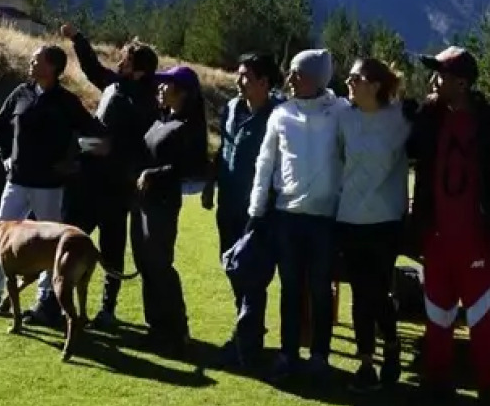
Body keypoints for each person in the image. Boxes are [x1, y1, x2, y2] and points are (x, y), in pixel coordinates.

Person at [406, 46, 490, 406]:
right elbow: (410, 150)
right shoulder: (430, 117)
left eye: (442, 75)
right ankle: (437, 381)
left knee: (483, 317)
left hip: (477, 239)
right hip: (436, 236)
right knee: (437, 313)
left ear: (463, 83)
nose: (434, 81)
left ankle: (488, 390)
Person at [0, 45, 104, 320]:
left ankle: (44, 301)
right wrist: (5, 155)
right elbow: (0, 123)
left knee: (50, 245)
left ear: (52, 67)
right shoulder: (21, 93)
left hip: (49, 186)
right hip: (16, 180)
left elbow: (93, 133)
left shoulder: (66, 101)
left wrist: (74, 160)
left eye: (36, 59)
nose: (31, 62)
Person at [248, 48, 343, 383]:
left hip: (325, 219)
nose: (289, 79)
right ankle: (288, 353)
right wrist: (256, 209)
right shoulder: (281, 114)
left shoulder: (341, 113)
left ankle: (319, 356)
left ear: (316, 78)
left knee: (320, 288)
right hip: (287, 215)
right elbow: (265, 163)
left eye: (297, 73)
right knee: (290, 288)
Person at [58, 23, 160, 329]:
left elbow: (143, 146)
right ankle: (57, 302)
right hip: (88, 179)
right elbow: (91, 68)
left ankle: (107, 309)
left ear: (139, 70)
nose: (120, 62)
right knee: (69, 240)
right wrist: (78, 39)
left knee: (112, 249)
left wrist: (112, 148)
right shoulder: (115, 85)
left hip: (117, 187)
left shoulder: (148, 103)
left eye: (126, 59)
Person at [335, 56, 412, 392]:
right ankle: (366, 362)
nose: (349, 83)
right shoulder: (343, 118)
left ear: (376, 85)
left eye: (356, 79)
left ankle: (391, 344)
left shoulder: (401, 119)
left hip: (385, 219)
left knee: (377, 291)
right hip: (349, 217)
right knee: (359, 291)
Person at [202, 52, 284, 369]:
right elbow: (223, 150)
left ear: (264, 82)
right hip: (228, 203)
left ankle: (247, 343)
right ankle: (247, 330)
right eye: (239, 74)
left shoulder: (278, 115)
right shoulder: (232, 108)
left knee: (253, 272)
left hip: (259, 211)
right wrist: (210, 184)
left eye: (246, 76)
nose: (239, 80)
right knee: (234, 267)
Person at [134, 64, 210, 354]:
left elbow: (191, 167)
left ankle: (177, 330)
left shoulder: (189, 126)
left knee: (160, 264)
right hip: (142, 200)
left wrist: (154, 174)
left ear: (183, 92)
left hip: (163, 203)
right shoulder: (161, 120)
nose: (160, 88)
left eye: (167, 85)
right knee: (145, 264)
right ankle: (156, 327)